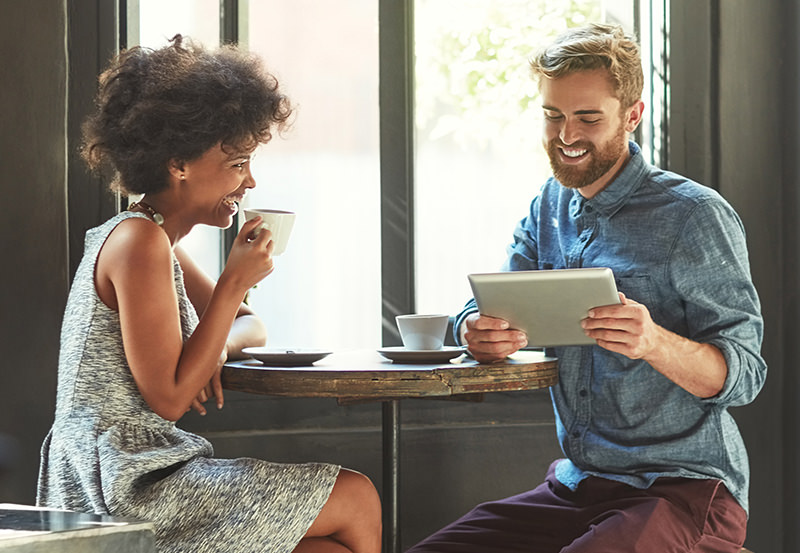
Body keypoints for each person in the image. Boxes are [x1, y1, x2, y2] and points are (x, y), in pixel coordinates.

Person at [406, 23, 766, 553]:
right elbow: (488, 304)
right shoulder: (547, 206)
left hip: (684, 491)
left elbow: (746, 375)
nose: (566, 136)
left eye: (588, 118)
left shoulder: (695, 216)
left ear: (632, 115)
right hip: (580, 485)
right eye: (553, 116)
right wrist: (474, 330)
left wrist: (654, 342)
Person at [36, 36, 381, 553]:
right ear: (179, 164)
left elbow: (251, 325)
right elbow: (172, 397)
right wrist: (233, 283)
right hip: (122, 486)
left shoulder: (157, 241)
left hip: (148, 471)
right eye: (239, 163)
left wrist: (211, 349)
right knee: (355, 496)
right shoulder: (138, 241)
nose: (251, 182)